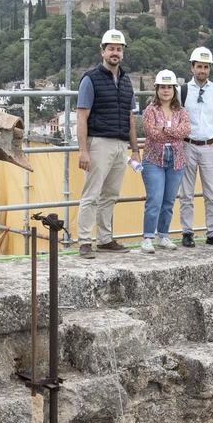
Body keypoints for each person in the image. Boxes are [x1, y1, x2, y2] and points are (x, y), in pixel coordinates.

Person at [75, 29, 139, 259]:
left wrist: (134, 150)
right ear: (102, 51)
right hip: (99, 142)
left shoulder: (126, 80)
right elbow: (81, 116)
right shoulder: (90, 79)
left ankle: (104, 239)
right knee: (91, 194)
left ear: (122, 53)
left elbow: (131, 117)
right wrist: (83, 150)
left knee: (110, 195)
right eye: (111, 48)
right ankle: (84, 241)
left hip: (121, 144)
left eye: (119, 49)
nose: (115, 52)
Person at [178, 46, 213, 249]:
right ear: (192, 67)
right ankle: (187, 232)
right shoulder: (181, 90)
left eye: (206, 67)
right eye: (200, 66)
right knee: (186, 192)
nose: (203, 71)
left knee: (211, 192)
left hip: (209, 145)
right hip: (188, 144)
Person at [139, 70, 190, 253]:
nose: (166, 90)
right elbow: (150, 133)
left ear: (174, 89)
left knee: (168, 201)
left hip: (176, 160)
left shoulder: (181, 111)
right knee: (154, 199)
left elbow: (185, 131)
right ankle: (147, 238)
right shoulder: (149, 111)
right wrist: (173, 132)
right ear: (157, 89)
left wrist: (165, 130)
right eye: (163, 87)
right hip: (154, 160)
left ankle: (163, 236)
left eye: (169, 87)